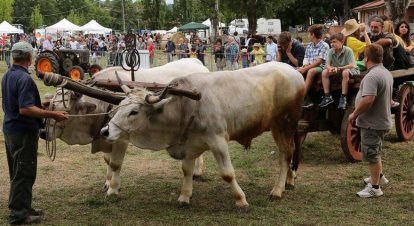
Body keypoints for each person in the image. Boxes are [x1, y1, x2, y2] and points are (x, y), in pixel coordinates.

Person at [2, 42, 69, 225]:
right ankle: (19, 215)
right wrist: (52, 114)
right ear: (30, 58)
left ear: (14, 57)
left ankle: (23, 206)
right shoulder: (25, 79)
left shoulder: (8, 75)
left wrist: (41, 107)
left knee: (18, 170)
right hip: (22, 131)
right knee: (24, 172)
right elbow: (25, 109)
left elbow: (18, 105)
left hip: (11, 129)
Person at [348, 44, 392, 198]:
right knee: (376, 150)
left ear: (366, 58)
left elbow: (368, 100)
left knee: (372, 154)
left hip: (372, 123)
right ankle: (379, 177)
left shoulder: (372, 76)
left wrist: (354, 114)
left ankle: (375, 187)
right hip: (380, 121)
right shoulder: (385, 72)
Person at [319, 33, 360, 109]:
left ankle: (343, 97)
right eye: (331, 42)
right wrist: (330, 68)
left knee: (345, 72)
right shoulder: (330, 51)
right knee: (324, 72)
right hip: (338, 69)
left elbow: (352, 65)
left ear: (342, 42)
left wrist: (339, 68)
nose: (332, 44)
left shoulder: (348, 50)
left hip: (350, 69)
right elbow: (327, 64)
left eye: (334, 42)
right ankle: (327, 96)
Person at [297, 24, 330, 107]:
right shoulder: (309, 45)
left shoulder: (324, 45)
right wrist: (304, 66)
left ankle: (302, 97)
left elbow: (319, 62)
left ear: (313, 34)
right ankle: (305, 96)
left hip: (322, 67)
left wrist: (305, 69)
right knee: (296, 71)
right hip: (310, 65)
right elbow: (306, 58)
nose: (308, 35)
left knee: (311, 71)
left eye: (308, 34)